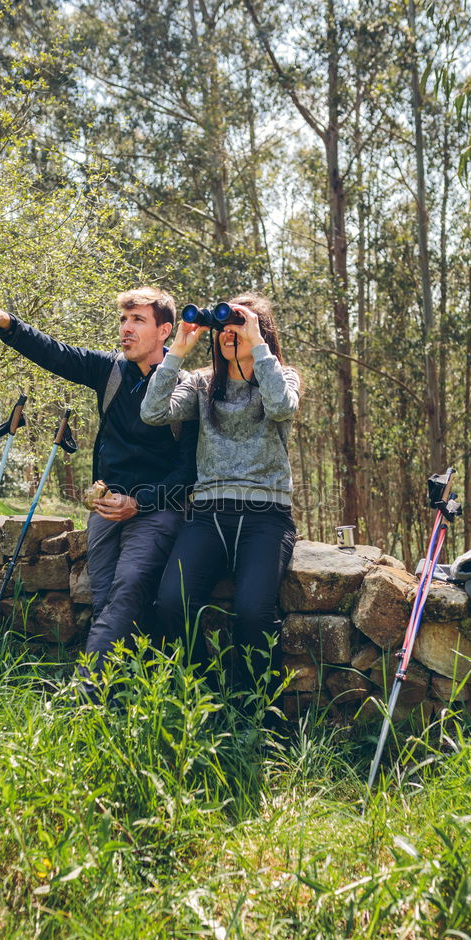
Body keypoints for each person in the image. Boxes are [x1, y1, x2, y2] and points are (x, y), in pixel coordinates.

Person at [0, 284, 197, 673]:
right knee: (104, 596)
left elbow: (188, 471)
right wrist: (7, 322)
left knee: (129, 585)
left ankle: (89, 690)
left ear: (165, 331)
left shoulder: (185, 387)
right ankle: (125, 688)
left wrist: (140, 503)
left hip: (157, 510)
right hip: (106, 509)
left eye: (138, 320)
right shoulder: (110, 371)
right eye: (123, 319)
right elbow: (56, 354)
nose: (126, 328)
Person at [140, 292, 299, 699]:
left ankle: (256, 710)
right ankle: (203, 697)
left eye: (239, 328)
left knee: (252, 612)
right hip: (209, 514)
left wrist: (256, 343)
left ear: (260, 333)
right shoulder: (201, 384)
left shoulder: (281, 376)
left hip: (267, 515)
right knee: (172, 603)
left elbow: (282, 407)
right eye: (224, 330)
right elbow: (153, 412)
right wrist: (177, 348)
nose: (229, 336)